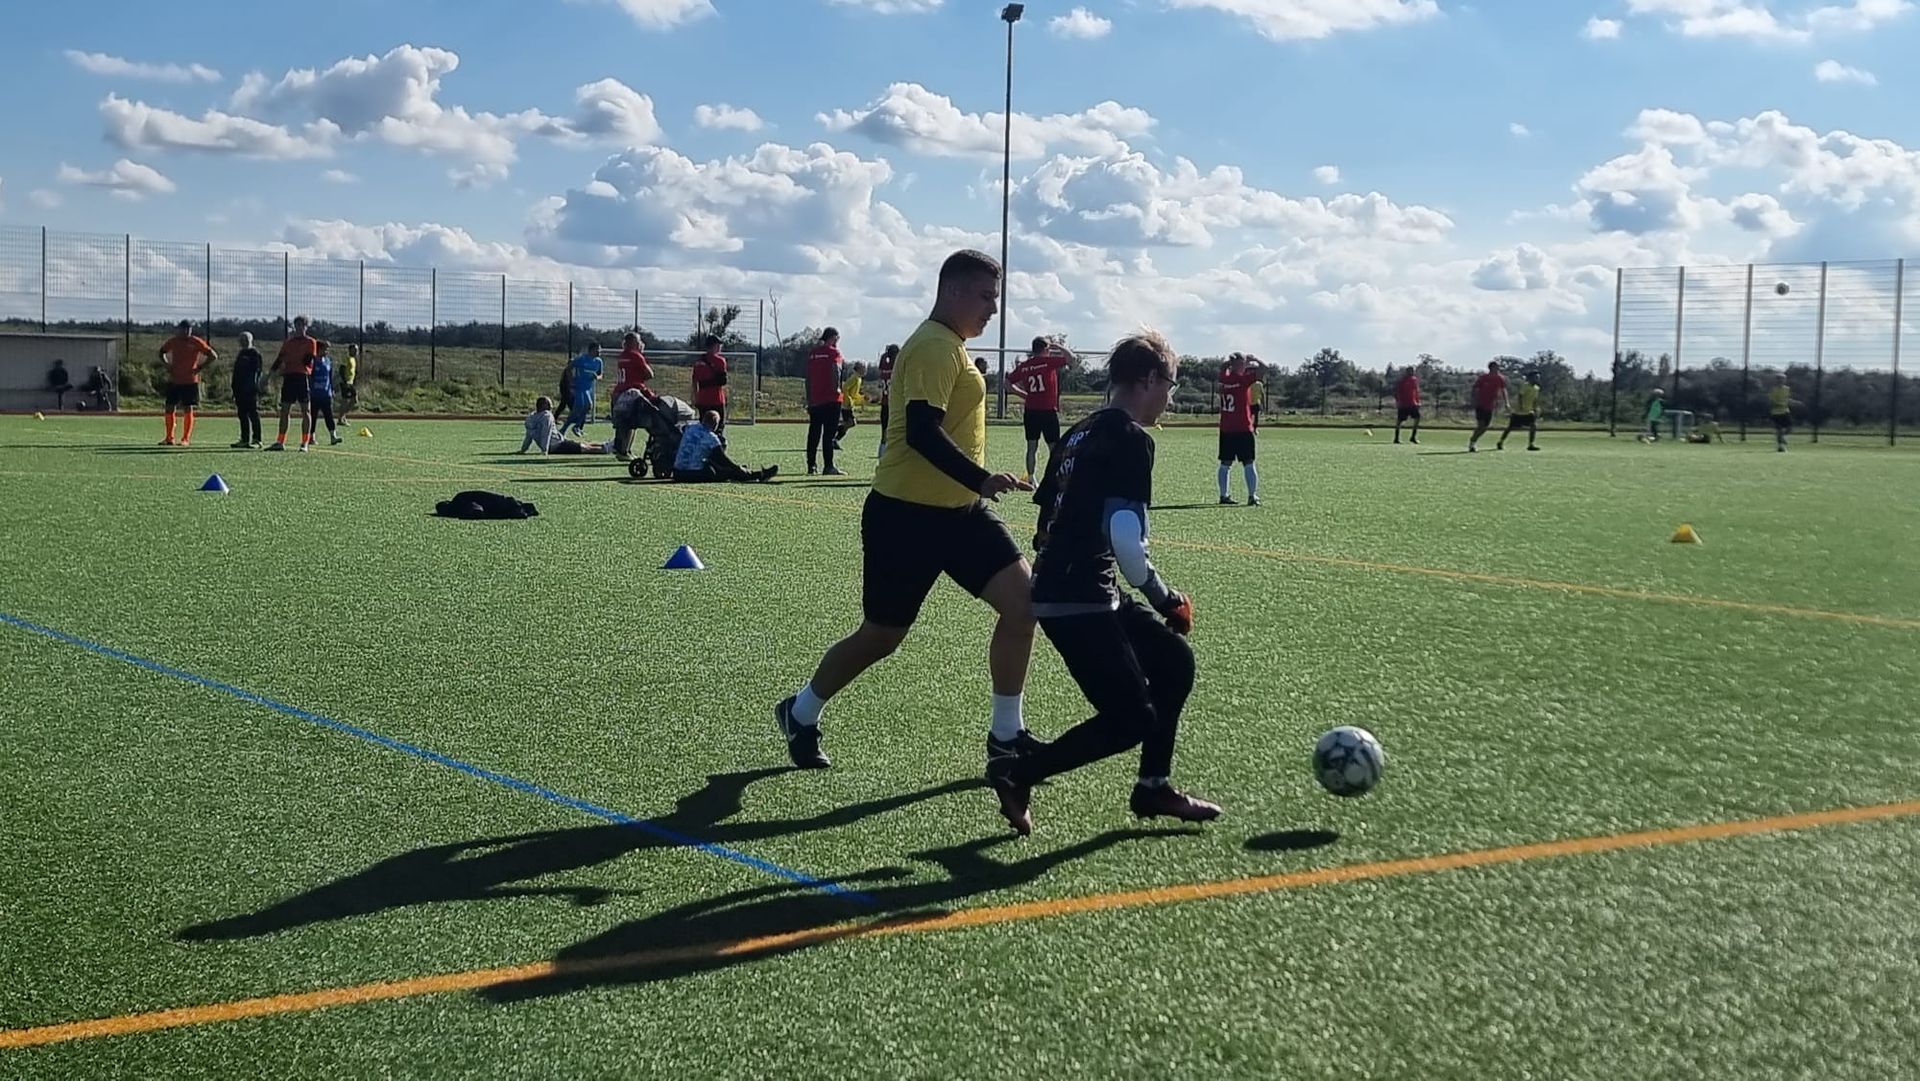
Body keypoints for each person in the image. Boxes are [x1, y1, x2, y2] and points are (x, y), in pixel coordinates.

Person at [774, 249, 1035, 771]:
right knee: (882, 635)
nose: (993, 309)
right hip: (906, 517)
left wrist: (975, 488)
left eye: (996, 298)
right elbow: (921, 431)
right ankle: (800, 712)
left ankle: (1007, 735)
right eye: (986, 297)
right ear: (952, 291)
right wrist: (980, 479)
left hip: (962, 515)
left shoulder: (952, 347)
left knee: (1024, 605)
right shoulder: (934, 346)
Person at [989, 331, 1219, 835]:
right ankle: (1018, 774)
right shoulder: (1130, 438)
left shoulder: (1076, 433)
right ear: (1149, 379)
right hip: (1080, 595)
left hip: (1073, 586)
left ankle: (1153, 786)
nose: (1170, 397)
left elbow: (1049, 518)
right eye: (1170, 386)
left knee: (1174, 662)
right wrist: (1165, 599)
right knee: (1130, 718)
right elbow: (1125, 539)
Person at [1008, 336, 1072, 483]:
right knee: (1054, 447)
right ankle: (1054, 477)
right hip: (1048, 411)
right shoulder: (1048, 362)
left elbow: (1007, 383)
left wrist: (1024, 395)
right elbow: (1071, 359)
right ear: (1045, 349)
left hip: (1031, 411)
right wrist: (1059, 347)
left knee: (1032, 447)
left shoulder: (1025, 366)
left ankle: (1031, 478)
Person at [266, 315, 322, 451]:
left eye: (302, 325)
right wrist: (270, 375)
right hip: (289, 377)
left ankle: (305, 442)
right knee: (285, 410)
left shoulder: (311, 342)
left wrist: (292, 360)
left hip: (302, 377)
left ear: (306, 327)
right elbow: (280, 358)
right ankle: (280, 441)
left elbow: (308, 360)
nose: (299, 328)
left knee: (305, 410)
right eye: (297, 325)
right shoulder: (289, 342)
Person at [157, 320, 217, 446]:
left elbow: (213, 355)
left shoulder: (196, 342)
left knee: (188, 407)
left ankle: (185, 438)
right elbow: (161, 352)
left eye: (189, 330)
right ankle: (169, 437)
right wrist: (167, 365)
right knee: (169, 407)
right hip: (174, 379)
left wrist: (200, 367)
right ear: (179, 330)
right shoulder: (173, 341)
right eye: (184, 329)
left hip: (190, 380)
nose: (186, 332)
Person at [674, 410, 778, 483]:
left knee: (709, 461)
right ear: (715, 424)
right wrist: (737, 468)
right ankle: (758, 475)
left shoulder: (690, 427)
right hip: (691, 474)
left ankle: (751, 473)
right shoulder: (711, 437)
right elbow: (723, 460)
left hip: (677, 473)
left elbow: (680, 429)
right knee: (724, 471)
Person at [1217, 353, 1264, 505]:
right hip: (1243, 427)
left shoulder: (1225, 379)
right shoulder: (1242, 380)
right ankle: (1252, 496)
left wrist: (1230, 363)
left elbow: (1222, 368)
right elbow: (1264, 370)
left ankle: (1223, 495)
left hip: (1226, 428)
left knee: (1225, 463)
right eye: (1243, 363)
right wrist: (1254, 359)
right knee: (1248, 462)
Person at [805, 327, 846, 476]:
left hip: (815, 398)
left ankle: (811, 465)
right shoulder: (834, 353)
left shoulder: (813, 354)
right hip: (831, 399)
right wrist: (837, 389)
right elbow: (836, 370)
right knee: (829, 434)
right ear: (833, 337)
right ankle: (828, 466)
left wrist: (809, 397)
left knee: (814, 432)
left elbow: (808, 377)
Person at [231, 332, 264, 448]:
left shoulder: (255, 354)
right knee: (242, 415)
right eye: (241, 340)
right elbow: (236, 373)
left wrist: (254, 387)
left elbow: (257, 372)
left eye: (245, 339)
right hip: (239, 390)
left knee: (253, 414)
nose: (243, 342)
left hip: (250, 390)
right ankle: (244, 439)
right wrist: (234, 387)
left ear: (251, 340)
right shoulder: (241, 354)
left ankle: (257, 440)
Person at [690, 334, 729, 434]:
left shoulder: (698, 362)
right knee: (719, 427)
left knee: (704, 427)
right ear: (715, 346)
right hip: (716, 399)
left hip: (702, 399)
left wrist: (695, 397)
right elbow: (723, 381)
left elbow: (694, 381)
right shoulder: (720, 361)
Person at [563, 343, 604, 437]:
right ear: (591, 350)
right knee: (579, 407)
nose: (600, 352)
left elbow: (601, 375)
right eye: (598, 350)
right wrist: (571, 381)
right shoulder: (581, 359)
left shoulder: (599, 361)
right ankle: (565, 429)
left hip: (588, 388)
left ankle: (575, 426)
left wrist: (597, 377)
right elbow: (568, 369)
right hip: (579, 387)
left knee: (588, 407)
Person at [1467, 360, 1508, 453]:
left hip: (1490, 406)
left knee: (1485, 427)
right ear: (1491, 368)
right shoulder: (1483, 378)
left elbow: (1503, 390)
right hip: (1480, 404)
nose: (1498, 368)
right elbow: (1475, 388)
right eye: (1496, 366)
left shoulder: (1500, 378)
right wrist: (1473, 400)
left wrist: (1506, 402)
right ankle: (1472, 443)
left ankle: (1473, 439)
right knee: (1481, 425)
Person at [1496, 371, 1542, 451]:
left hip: (1529, 412)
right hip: (1519, 412)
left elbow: (1535, 400)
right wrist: (1521, 406)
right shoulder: (1525, 386)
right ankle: (1501, 442)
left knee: (1533, 426)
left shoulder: (1536, 388)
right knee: (1510, 428)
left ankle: (1531, 444)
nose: (1537, 379)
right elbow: (1520, 396)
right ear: (1531, 378)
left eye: (1538, 377)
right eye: (1536, 377)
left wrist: (1535, 408)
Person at [310, 341, 343, 445]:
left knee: (329, 415)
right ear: (318, 349)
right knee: (313, 416)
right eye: (325, 349)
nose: (326, 351)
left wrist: (331, 389)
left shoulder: (328, 361)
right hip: (315, 394)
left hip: (326, 394)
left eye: (327, 349)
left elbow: (330, 376)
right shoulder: (313, 361)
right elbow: (309, 377)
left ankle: (333, 436)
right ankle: (311, 436)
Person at [873, 343, 899, 459]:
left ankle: (882, 452)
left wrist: (885, 354)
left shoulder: (884, 368)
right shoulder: (896, 367)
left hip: (885, 403)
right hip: (894, 404)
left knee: (884, 431)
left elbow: (882, 364)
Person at [613, 333, 654, 403]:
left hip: (619, 390)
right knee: (655, 402)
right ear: (634, 342)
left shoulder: (621, 356)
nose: (641, 343)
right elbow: (650, 374)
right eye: (639, 341)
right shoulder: (636, 356)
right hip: (634, 389)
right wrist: (640, 353)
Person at [837, 361, 867, 444]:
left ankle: (835, 439)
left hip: (850, 405)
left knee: (850, 423)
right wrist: (848, 399)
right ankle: (834, 432)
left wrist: (862, 398)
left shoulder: (859, 379)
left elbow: (854, 394)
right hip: (846, 405)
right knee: (851, 422)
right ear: (859, 369)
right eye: (863, 368)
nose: (865, 370)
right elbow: (845, 388)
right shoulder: (854, 378)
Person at [1393, 367, 1421, 445]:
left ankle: (1413, 437)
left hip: (1412, 403)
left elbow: (1416, 391)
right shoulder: (1402, 381)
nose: (1411, 372)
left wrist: (1418, 402)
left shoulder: (1414, 380)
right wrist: (1398, 402)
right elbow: (1397, 392)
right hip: (1404, 404)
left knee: (1417, 418)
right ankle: (1396, 438)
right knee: (1399, 421)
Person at [1768, 376, 1797, 452]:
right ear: (1776, 380)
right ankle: (1780, 447)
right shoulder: (1773, 390)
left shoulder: (1787, 389)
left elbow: (1787, 399)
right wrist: (1778, 404)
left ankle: (1783, 438)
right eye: (1779, 379)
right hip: (1776, 412)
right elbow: (1772, 401)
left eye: (1783, 379)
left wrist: (1794, 402)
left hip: (1785, 411)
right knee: (1779, 430)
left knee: (1790, 428)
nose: (1781, 380)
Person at [340, 344, 360, 418]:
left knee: (354, 400)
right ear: (350, 350)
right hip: (346, 382)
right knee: (345, 401)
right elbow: (341, 369)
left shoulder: (353, 359)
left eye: (357, 350)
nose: (356, 351)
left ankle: (343, 416)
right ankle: (340, 418)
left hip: (351, 383)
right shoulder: (346, 358)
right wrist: (344, 381)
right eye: (355, 350)